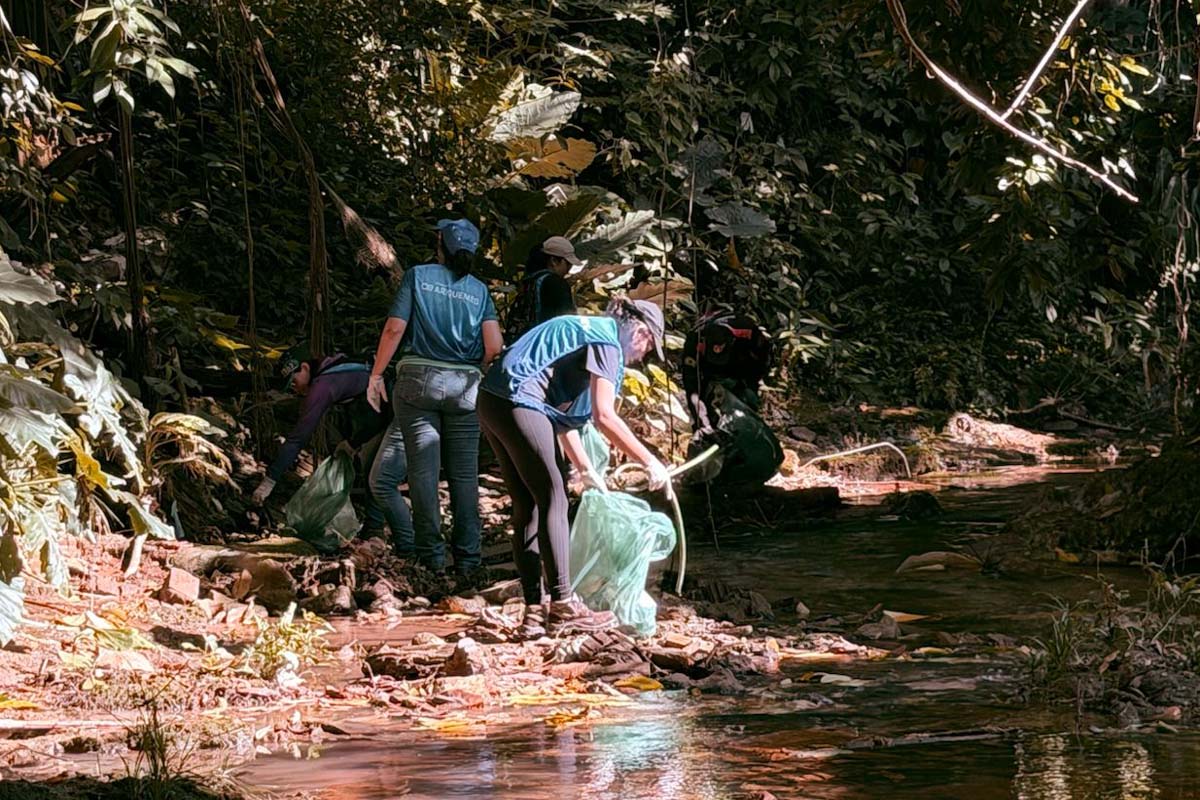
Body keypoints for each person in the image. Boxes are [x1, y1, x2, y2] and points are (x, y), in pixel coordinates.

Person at [478, 297, 673, 637]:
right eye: (648, 347)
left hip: (491, 400)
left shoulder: (585, 332)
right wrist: (651, 461)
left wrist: (585, 468)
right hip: (519, 401)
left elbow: (563, 422)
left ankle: (534, 614)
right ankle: (564, 605)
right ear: (639, 332)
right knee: (554, 499)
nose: (642, 357)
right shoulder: (607, 341)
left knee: (528, 505)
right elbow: (604, 416)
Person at [367, 218, 503, 573]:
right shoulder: (479, 291)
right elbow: (494, 345)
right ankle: (469, 561)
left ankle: (433, 558)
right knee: (464, 476)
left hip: (417, 381)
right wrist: (475, 369)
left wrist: (377, 373)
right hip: (466, 388)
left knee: (422, 473)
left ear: (440, 243)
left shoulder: (418, 275)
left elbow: (395, 327)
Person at [252, 350, 397, 537]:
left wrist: (270, 480)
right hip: (388, 409)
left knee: (376, 474)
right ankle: (374, 528)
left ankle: (390, 536)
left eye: (294, 382)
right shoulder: (333, 366)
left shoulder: (322, 386)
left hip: (394, 412)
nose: (293, 389)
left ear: (304, 367)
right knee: (372, 468)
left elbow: (298, 438)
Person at [681, 309, 774, 433]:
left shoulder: (746, 329)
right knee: (705, 402)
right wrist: (702, 422)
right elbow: (691, 387)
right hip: (707, 365)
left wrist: (753, 382)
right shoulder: (694, 341)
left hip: (740, 359)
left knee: (748, 397)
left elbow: (764, 355)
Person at [506, 236, 581, 339]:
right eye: (568, 264)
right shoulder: (556, 283)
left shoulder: (529, 280)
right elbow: (568, 321)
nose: (569, 269)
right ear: (554, 261)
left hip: (525, 343)